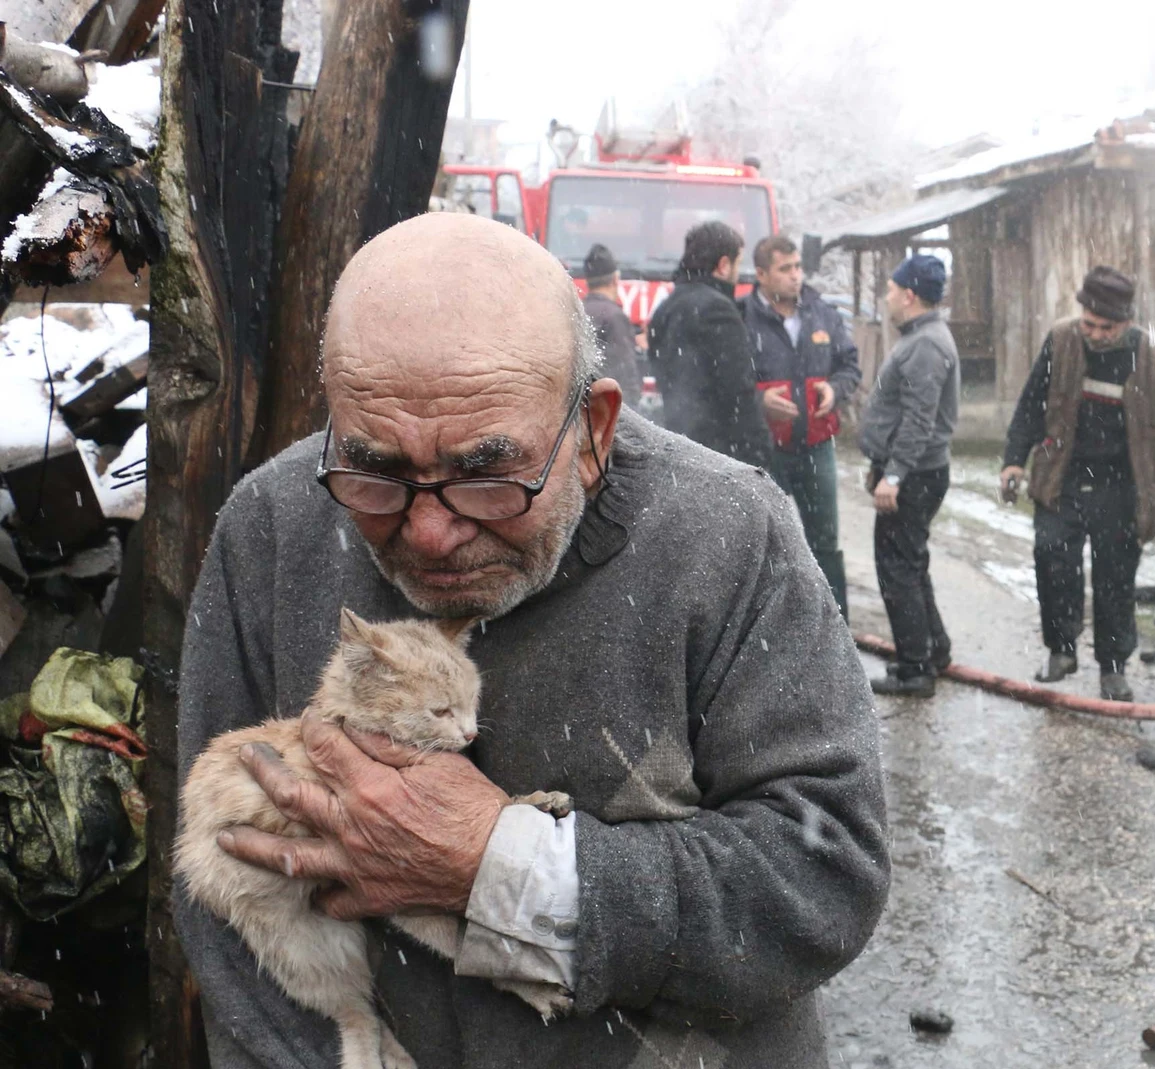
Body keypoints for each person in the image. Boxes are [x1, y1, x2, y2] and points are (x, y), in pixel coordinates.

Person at [175, 213, 888, 1068]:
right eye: (377, 472)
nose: (431, 532)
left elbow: (825, 879)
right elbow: (217, 909)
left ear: (592, 432)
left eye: (486, 475)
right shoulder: (273, 526)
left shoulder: (731, 537)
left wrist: (500, 868)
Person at [1000, 265, 1155, 702]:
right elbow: (1031, 403)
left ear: (1126, 322)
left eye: (1106, 327)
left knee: (1114, 579)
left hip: (1123, 484)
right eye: (1089, 323)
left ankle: (1113, 668)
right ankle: (1061, 650)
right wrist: (1014, 460)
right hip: (1063, 476)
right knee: (1051, 557)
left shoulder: (1151, 358)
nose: (1095, 333)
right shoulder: (1062, 341)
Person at [742, 234, 860, 619]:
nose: (796, 276)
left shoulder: (821, 312)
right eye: (785, 269)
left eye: (798, 267)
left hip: (816, 446)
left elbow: (849, 365)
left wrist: (836, 388)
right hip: (766, 451)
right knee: (761, 542)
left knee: (825, 542)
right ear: (761, 274)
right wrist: (759, 402)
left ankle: (837, 625)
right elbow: (728, 383)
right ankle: (770, 626)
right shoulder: (742, 317)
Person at [857, 254, 958, 697]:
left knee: (897, 568)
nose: (887, 297)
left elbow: (920, 419)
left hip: (915, 474)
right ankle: (932, 650)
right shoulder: (922, 338)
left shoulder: (926, 345)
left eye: (892, 290)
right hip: (914, 470)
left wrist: (894, 475)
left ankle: (916, 669)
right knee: (910, 562)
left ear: (910, 295)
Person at [647, 220, 770, 465]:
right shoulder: (719, 310)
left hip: (679, 449)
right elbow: (738, 392)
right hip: (721, 454)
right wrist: (759, 451)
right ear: (723, 265)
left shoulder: (664, 309)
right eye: (737, 264)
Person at [580, 243, 645, 392]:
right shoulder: (615, 317)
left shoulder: (577, 311)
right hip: (607, 404)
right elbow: (625, 372)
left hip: (582, 403)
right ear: (615, 280)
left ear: (587, 281)